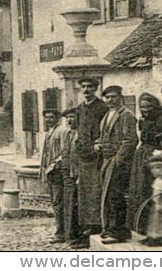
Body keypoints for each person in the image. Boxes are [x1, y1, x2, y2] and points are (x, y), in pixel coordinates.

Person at [95, 85, 137, 244]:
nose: (110, 100)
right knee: (108, 195)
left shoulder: (126, 115)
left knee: (115, 195)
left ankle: (119, 231)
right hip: (106, 159)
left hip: (117, 161)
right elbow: (103, 136)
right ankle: (110, 228)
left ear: (121, 98)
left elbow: (130, 140)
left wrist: (118, 159)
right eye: (107, 97)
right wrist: (97, 144)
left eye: (113, 97)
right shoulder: (107, 115)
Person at [72, 77, 109, 249]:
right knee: (84, 193)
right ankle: (86, 228)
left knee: (95, 191)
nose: (86, 90)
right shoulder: (80, 108)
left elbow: (105, 130)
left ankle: (96, 227)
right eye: (83, 87)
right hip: (83, 156)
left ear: (96, 88)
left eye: (90, 87)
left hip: (96, 157)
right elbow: (79, 130)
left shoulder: (102, 107)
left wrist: (98, 143)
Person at [127, 93, 162, 234]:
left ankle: (155, 229)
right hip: (141, 155)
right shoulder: (142, 120)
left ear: (155, 105)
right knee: (139, 190)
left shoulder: (161, 120)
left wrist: (157, 153)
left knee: (151, 189)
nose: (146, 109)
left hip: (155, 155)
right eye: (143, 107)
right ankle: (141, 227)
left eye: (149, 106)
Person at [38, 108, 68, 243]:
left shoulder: (62, 131)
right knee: (55, 202)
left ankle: (61, 233)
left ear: (58, 118)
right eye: (47, 117)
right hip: (50, 172)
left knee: (59, 202)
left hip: (58, 171)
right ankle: (60, 230)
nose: (48, 120)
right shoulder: (48, 133)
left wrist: (54, 164)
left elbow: (64, 152)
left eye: (51, 117)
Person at [60, 108, 82, 245]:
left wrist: (80, 175)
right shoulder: (68, 134)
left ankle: (76, 236)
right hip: (67, 173)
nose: (69, 120)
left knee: (76, 206)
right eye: (67, 117)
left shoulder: (81, 135)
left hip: (77, 174)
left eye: (72, 117)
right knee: (68, 204)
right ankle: (69, 235)